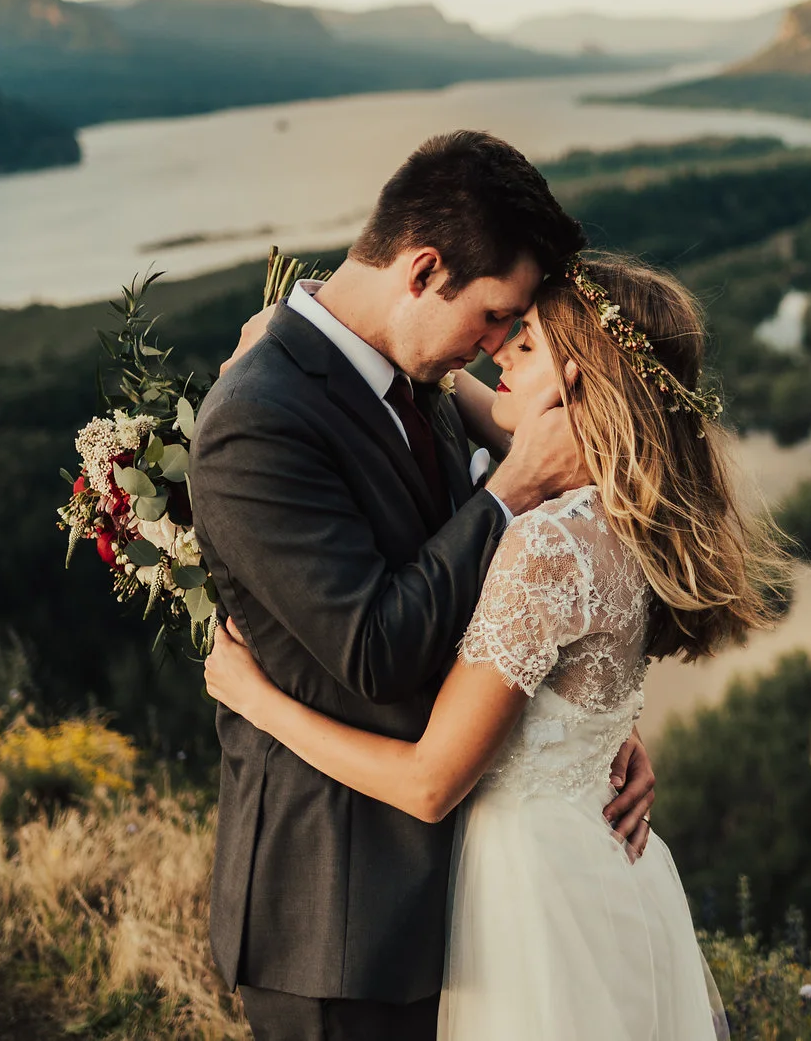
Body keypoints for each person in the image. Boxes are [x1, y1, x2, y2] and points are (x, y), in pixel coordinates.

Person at [206, 251, 789, 1040]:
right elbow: (567, 674)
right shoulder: (620, 512)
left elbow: (428, 783)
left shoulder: (545, 538)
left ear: (578, 380)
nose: (495, 352)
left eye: (525, 343)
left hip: (531, 896)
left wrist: (257, 700)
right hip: (605, 874)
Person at [190, 132, 663, 1041]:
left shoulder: (420, 377)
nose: (493, 348)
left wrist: (590, 721)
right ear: (424, 269)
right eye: (493, 317)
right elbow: (375, 649)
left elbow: (509, 601)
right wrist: (510, 488)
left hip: (462, 897)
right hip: (338, 917)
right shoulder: (257, 419)